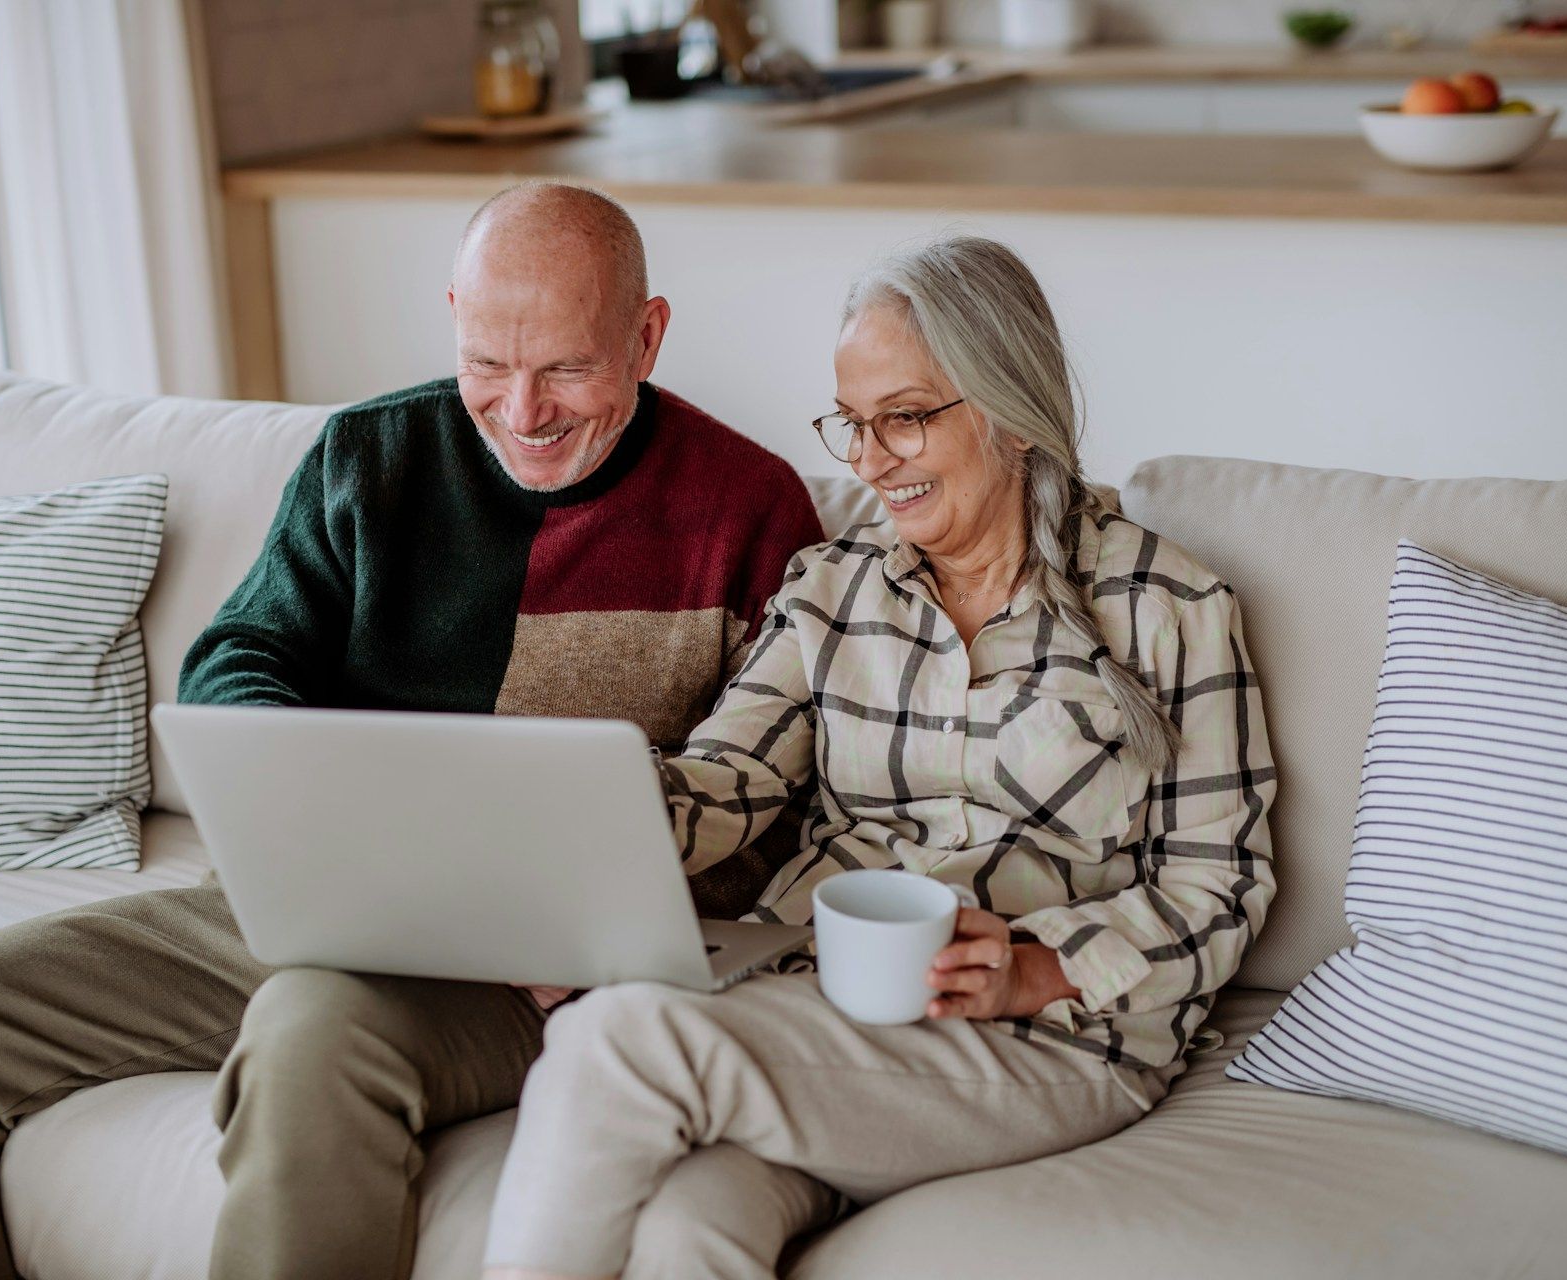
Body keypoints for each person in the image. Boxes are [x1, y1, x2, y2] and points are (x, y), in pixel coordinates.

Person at [0, 181, 824, 1280]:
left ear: (646, 335)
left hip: (540, 975)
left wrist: (577, 921)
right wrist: (308, 811)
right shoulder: (369, 458)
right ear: (451, 315)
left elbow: (768, 807)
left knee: (313, 1030)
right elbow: (236, 658)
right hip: (311, 903)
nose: (523, 410)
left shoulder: (753, 511)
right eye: (488, 361)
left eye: (567, 368)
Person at [480, 235, 1279, 1280]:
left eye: (902, 417)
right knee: (688, 1226)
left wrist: (1034, 968)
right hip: (834, 1011)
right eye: (852, 424)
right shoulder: (833, 587)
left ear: (1007, 405)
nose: (867, 462)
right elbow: (721, 785)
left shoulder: (1172, 608)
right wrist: (572, 816)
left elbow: (1223, 883)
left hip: (1054, 1040)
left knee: (616, 1041)